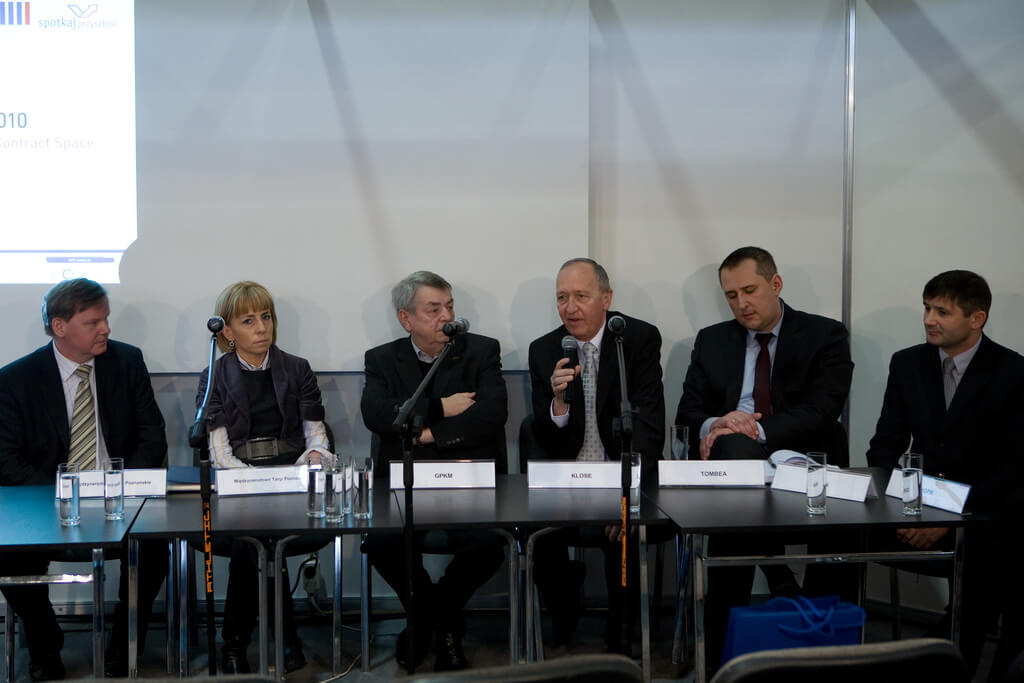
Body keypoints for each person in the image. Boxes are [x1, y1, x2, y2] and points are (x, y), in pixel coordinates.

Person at [674, 246, 854, 669]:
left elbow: (823, 409)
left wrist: (753, 428)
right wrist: (718, 423)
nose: (741, 304)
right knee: (734, 457)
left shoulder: (824, 334)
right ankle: (773, 590)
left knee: (737, 477)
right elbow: (688, 412)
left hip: (804, 462)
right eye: (731, 295)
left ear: (775, 284)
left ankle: (806, 646)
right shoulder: (713, 340)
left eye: (749, 291)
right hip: (735, 466)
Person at [0, 278, 168, 680]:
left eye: (106, 318)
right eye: (94, 322)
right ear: (60, 327)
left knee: (153, 549)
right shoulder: (16, 380)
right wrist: (62, 494)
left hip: (120, 497)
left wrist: (123, 486)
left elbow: (152, 435)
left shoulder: (127, 362)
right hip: (47, 501)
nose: (106, 328)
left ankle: (124, 645)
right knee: (6, 554)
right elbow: (6, 461)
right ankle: (45, 642)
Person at [866, 269, 1024, 679]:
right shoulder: (908, 363)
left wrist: (949, 515)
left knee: (996, 552)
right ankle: (837, 650)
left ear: (977, 318)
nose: (929, 320)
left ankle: (951, 659)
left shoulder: (1012, 371)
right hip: (917, 502)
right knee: (841, 535)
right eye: (926, 308)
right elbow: (884, 446)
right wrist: (908, 507)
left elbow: (1013, 467)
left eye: (942, 311)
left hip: (983, 507)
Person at [361, 271, 508, 671]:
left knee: (488, 545)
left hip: (466, 485)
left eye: (450, 307)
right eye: (434, 309)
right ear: (406, 318)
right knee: (382, 544)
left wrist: (428, 435)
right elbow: (377, 414)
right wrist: (443, 407)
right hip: (405, 488)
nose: (447, 317)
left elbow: (491, 414)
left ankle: (429, 619)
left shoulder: (481, 351)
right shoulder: (381, 359)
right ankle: (440, 622)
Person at [527, 257, 666, 652]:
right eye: (561, 298)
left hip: (619, 476)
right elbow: (544, 437)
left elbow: (649, 425)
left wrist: (628, 495)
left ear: (606, 298)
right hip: (566, 480)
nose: (569, 308)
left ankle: (620, 639)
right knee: (539, 535)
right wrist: (558, 402)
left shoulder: (636, 340)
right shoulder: (545, 350)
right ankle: (564, 608)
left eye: (581, 296)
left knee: (624, 534)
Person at [195, 281, 333, 674]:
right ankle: (283, 639)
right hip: (239, 481)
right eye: (248, 320)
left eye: (266, 317)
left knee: (258, 540)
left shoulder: (297, 368)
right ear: (227, 331)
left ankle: (235, 644)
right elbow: (219, 452)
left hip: (291, 477)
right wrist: (254, 482)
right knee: (255, 541)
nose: (261, 328)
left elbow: (316, 437)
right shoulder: (214, 376)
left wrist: (305, 466)